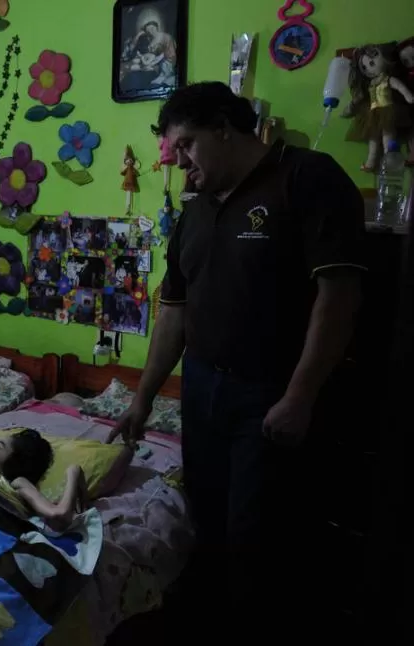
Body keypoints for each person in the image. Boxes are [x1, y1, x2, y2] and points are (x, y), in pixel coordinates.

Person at [109, 82, 365, 640]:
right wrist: (143, 398)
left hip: (270, 392)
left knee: (257, 539)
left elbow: (339, 296)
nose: (178, 164)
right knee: (206, 525)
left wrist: (300, 395)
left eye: (186, 146)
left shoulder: (306, 178)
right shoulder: (195, 214)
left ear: (225, 127)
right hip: (203, 390)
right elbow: (173, 315)